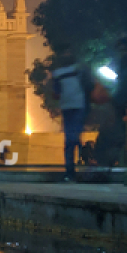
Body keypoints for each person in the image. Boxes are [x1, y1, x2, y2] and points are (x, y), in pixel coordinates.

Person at [51, 45, 88, 181]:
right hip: (72, 107)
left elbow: (56, 93)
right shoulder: (78, 70)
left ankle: (72, 170)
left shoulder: (61, 73)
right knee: (72, 139)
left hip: (75, 107)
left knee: (71, 139)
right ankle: (72, 170)